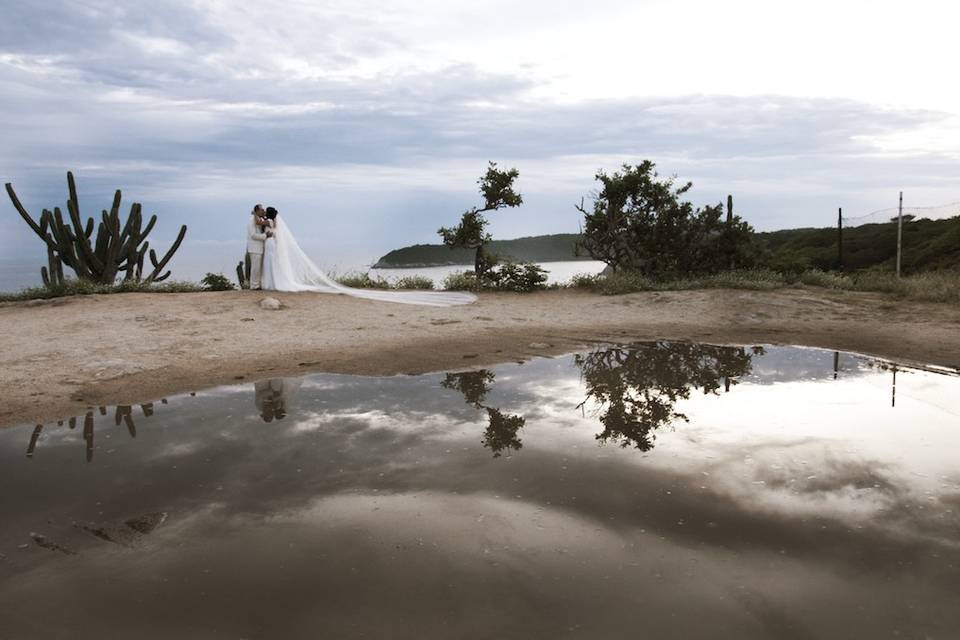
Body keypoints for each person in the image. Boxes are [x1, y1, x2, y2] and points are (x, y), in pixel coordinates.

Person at [255, 206, 476, 307]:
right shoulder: (273, 222)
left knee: (273, 263)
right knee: (275, 263)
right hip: (273, 246)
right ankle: (276, 282)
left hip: (272, 245)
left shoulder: (272, 224)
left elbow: (271, 233)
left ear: (271, 215)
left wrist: (266, 232)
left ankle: (276, 283)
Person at [246, 204, 273, 290]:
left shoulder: (260, 220)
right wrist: (265, 235)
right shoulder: (251, 221)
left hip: (261, 247)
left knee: (260, 268)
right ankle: (254, 285)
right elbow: (253, 235)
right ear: (257, 211)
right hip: (254, 248)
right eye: (262, 210)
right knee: (255, 268)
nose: (263, 211)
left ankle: (258, 284)